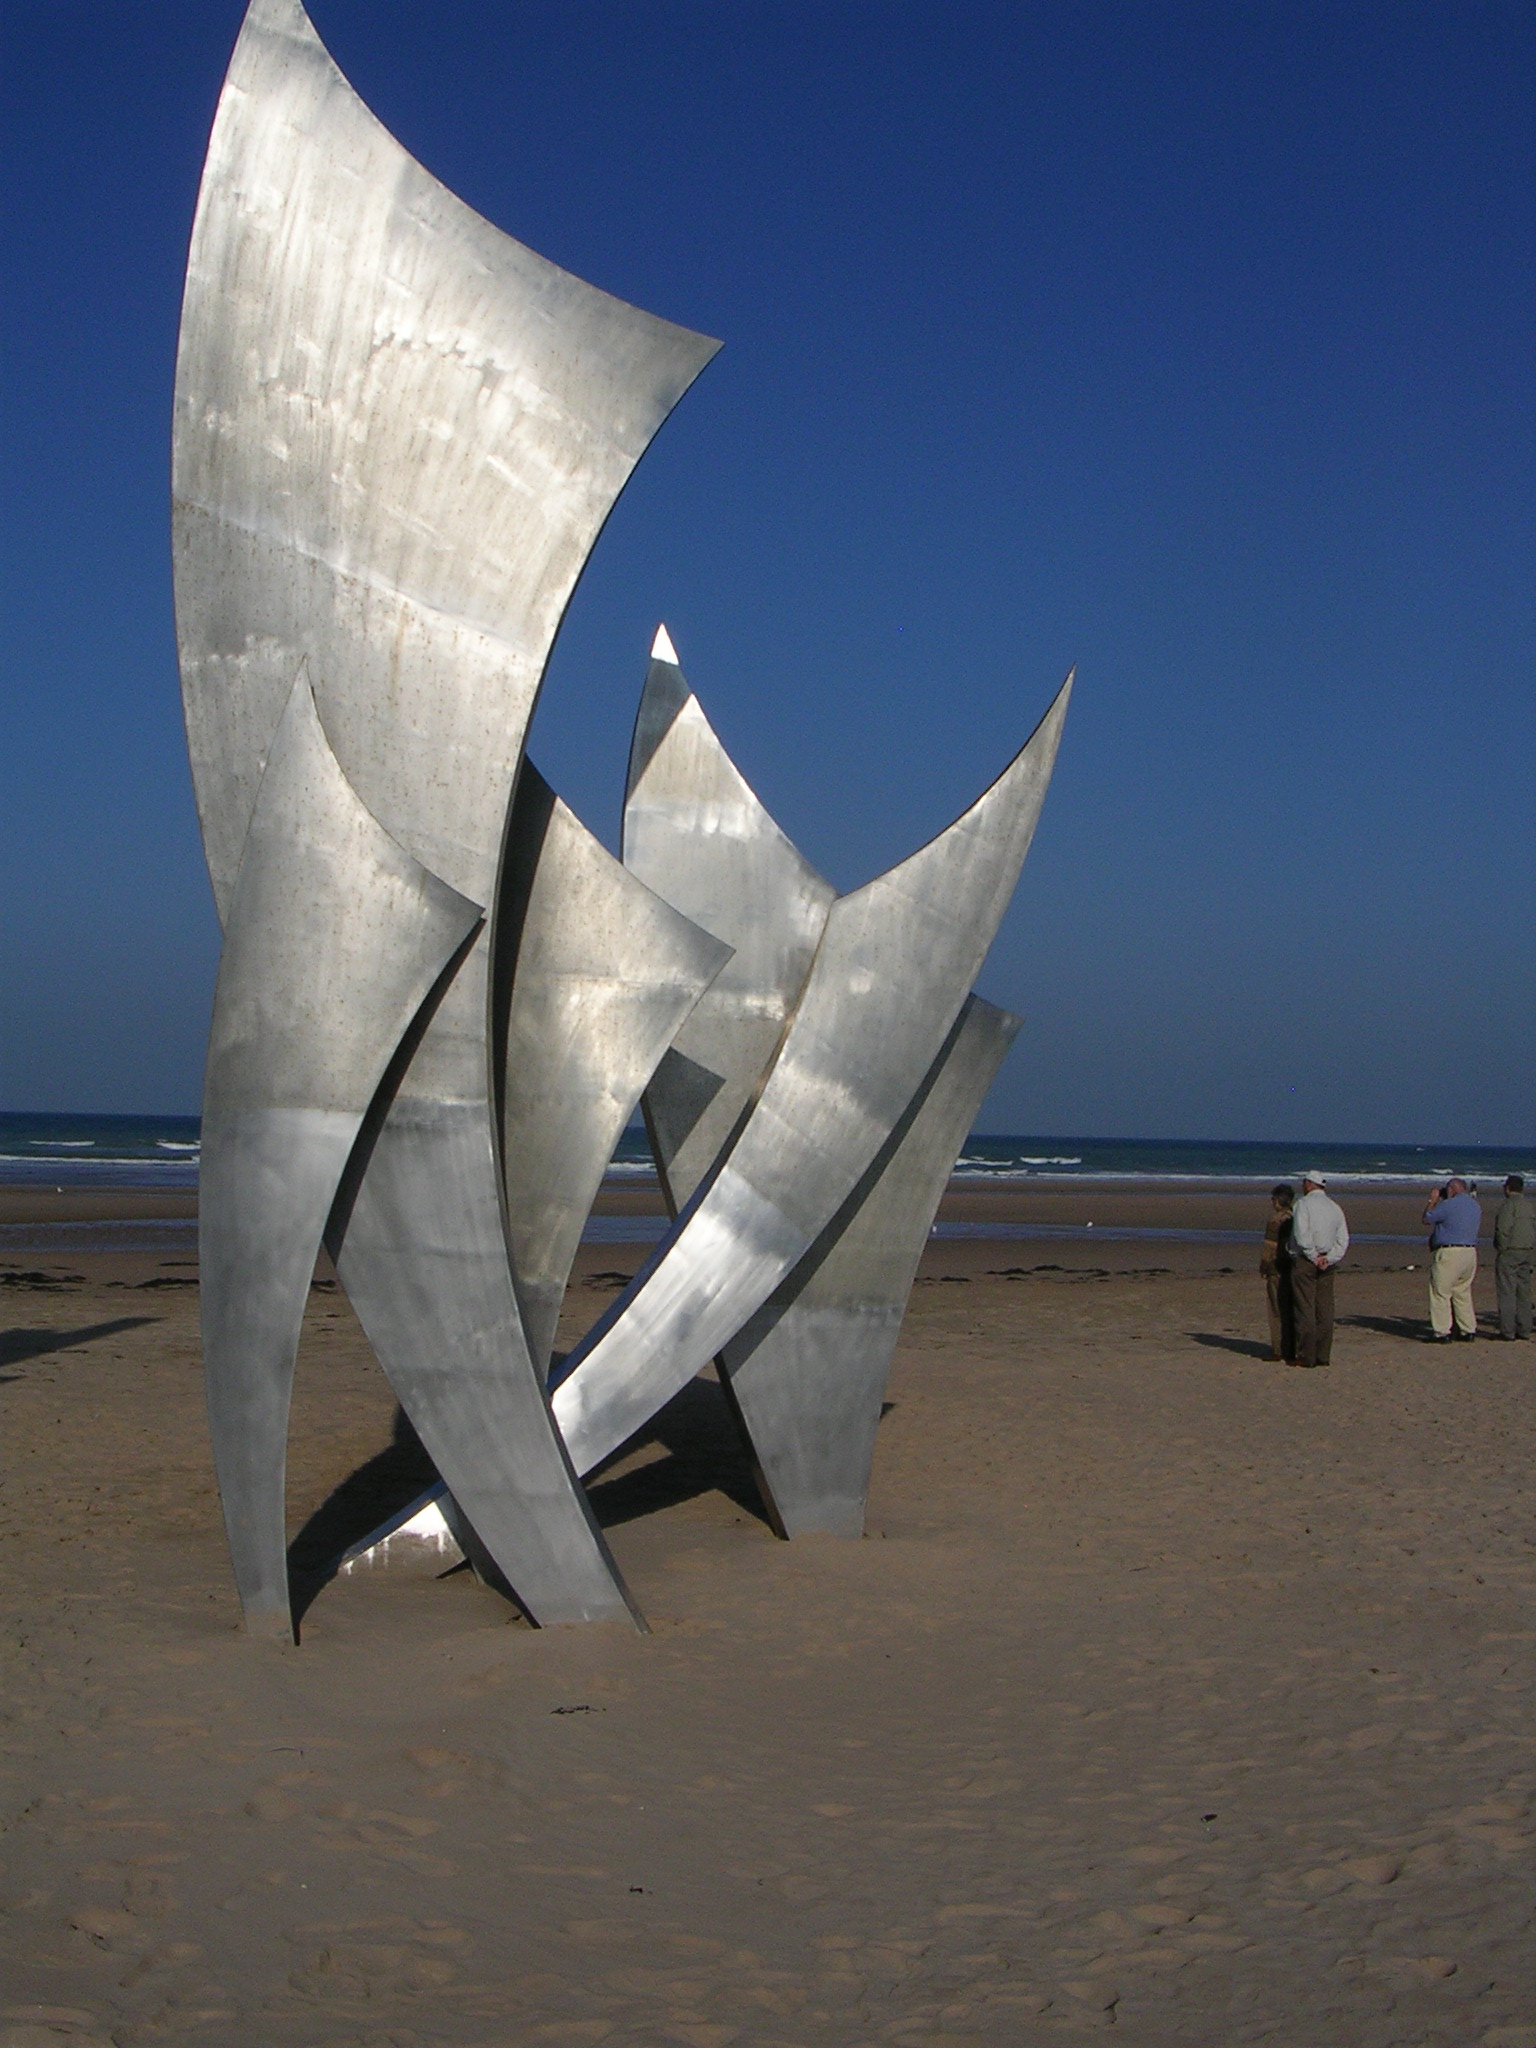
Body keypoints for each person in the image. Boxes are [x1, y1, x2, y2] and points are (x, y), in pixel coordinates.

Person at [1290, 1171, 1348, 1367]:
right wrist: (1330, 1258)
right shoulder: (1335, 1207)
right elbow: (1343, 1240)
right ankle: (1323, 1354)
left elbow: (1301, 1235)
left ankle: (1307, 1354)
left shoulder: (1303, 1205)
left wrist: (1315, 1256)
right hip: (1326, 1260)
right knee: (1325, 1309)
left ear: (1308, 1184)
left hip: (1307, 1260)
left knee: (1305, 1308)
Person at [1422, 1176, 1482, 1343]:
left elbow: (1427, 1218)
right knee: (1462, 1292)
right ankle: (1468, 1329)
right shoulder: (1474, 1205)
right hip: (1469, 1253)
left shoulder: (1448, 1205)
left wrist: (1432, 1200)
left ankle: (1442, 1332)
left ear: (1451, 1189)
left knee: (1440, 1292)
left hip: (1450, 1253)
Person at [1493, 1174, 1534, 1342]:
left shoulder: (1509, 1205)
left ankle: (1508, 1331)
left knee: (1507, 1292)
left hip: (1510, 1251)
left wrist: (1501, 1248)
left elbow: (1503, 1229)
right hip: (1527, 1250)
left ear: (1508, 1188)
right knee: (1524, 1292)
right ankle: (1525, 1328)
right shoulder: (1529, 1205)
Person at [1259, 1183, 1295, 1361]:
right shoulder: (1296, 1217)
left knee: (1275, 1309)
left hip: (1277, 1268)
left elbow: (1269, 1246)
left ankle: (1278, 1349)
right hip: (1294, 1268)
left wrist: (1264, 1266)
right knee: (1292, 1308)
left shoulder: (1275, 1220)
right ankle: (1291, 1346)